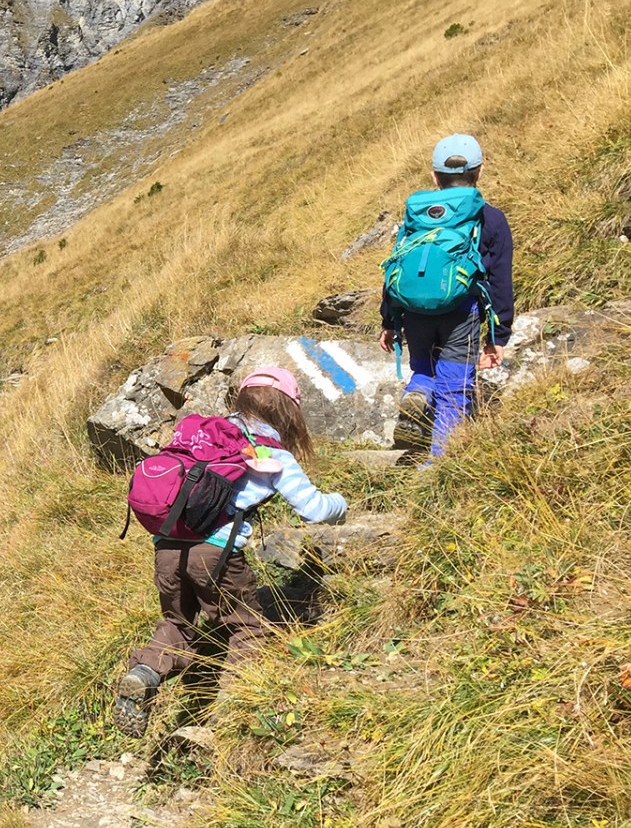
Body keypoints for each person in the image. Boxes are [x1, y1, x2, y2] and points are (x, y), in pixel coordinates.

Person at [114, 367, 347, 738]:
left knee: (178, 623)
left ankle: (144, 673)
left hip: (166, 547)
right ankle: (231, 716)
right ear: (289, 411)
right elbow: (313, 509)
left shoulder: (205, 436)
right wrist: (341, 503)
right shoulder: (269, 449)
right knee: (248, 628)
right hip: (216, 554)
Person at [379, 134, 515, 458]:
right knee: (455, 388)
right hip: (461, 312)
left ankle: (419, 390)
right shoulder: (490, 218)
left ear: (434, 176)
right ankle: (438, 463)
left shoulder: (415, 216)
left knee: (424, 370)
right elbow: (500, 280)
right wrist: (500, 334)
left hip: (414, 312)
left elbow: (396, 265)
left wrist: (389, 321)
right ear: (479, 172)